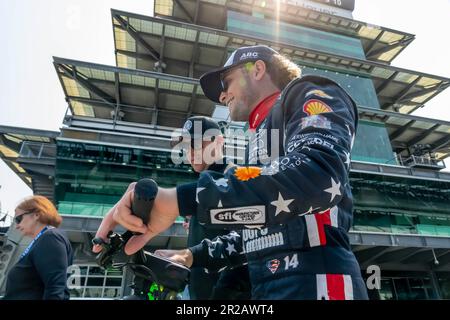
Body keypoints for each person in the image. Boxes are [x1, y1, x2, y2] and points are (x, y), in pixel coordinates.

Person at [94, 45, 368, 300]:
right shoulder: (258, 141)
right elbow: (258, 231)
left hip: (318, 280)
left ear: (258, 70)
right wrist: (190, 256)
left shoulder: (308, 91)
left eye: (226, 83)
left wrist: (179, 199)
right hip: (267, 287)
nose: (223, 95)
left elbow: (319, 174)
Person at [162, 115, 251, 300]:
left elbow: (247, 246)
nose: (190, 152)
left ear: (219, 142)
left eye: (196, 144)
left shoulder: (235, 179)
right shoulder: (204, 186)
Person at [3, 195, 74, 300]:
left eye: (18, 219)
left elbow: (55, 288)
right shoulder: (45, 238)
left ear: (36, 214)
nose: (17, 225)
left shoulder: (51, 237)